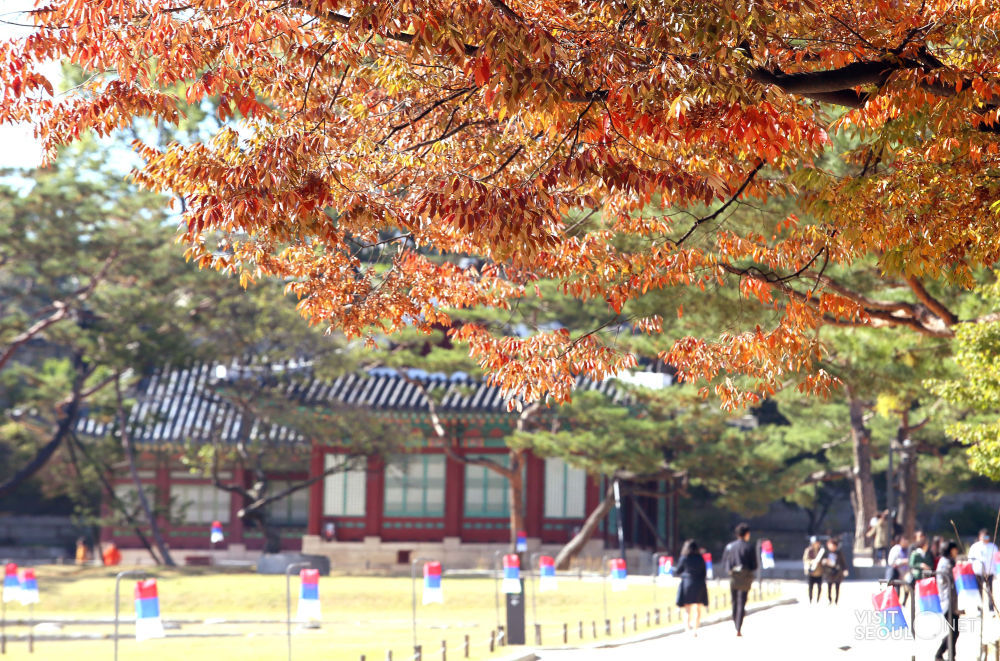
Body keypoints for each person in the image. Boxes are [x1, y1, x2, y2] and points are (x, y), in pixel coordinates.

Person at [721, 522, 758, 636]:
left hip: (734, 576)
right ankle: (738, 626)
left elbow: (725, 562)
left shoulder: (730, 546)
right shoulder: (749, 547)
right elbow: (754, 565)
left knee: (734, 600)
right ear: (747, 534)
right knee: (742, 601)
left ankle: (734, 621)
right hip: (746, 577)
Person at [674, 539, 709, 636]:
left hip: (687, 584)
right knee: (698, 608)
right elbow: (704, 572)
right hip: (699, 583)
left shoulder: (684, 558)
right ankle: (695, 630)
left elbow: (678, 570)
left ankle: (687, 629)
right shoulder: (700, 558)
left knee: (687, 609)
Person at [935, 541, 963, 661]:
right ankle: (942, 654)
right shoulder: (945, 563)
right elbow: (945, 579)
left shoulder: (950, 561)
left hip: (953, 601)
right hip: (947, 601)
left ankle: (948, 655)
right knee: (954, 630)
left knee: (954, 630)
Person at [968, 528, 998, 612]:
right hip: (978, 572)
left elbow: (996, 560)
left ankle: (991, 608)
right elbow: (970, 559)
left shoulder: (993, 546)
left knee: (989, 591)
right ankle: (979, 608)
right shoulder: (975, 546)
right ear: (980, 537)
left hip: (989, 572)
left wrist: (996, 572)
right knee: (979, 591)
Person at [821, 537, 848, 605]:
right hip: (829, 572)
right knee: (829, 586)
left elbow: (843, 562)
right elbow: (822, 561)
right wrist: (825, 562)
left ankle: (836, 600)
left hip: (837, 572)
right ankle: (830, 599)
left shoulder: (839, 553)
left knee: (837, 587)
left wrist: (845, 569)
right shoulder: (826, 553)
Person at [886, 534, 910, 605]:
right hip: (895, 573)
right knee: (895, 591)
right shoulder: (896, 549)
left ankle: (902, 604)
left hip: (903, 574)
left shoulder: (907, 550)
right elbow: (892, 562)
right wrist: (904, 561)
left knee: (906, 588)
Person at [802, 536, 825, 604]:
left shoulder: (821, 551)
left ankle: (818, 599)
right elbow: (805, 559)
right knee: (810, 587)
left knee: (819, 587)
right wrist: (812, 562)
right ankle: (810, 599)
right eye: (815, 543)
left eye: (817, 543)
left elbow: (825, 558)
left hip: (819, 571)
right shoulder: (808, 550)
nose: (816, 544)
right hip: (811, 572)